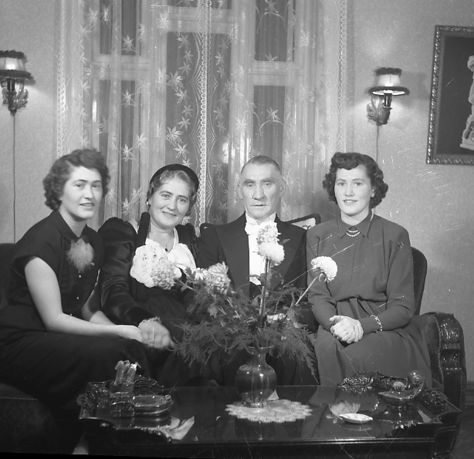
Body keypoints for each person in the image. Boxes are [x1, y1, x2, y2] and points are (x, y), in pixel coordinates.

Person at [0, 149, 151, 411]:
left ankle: (143, 423)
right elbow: (54, 319)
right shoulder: (41, 241)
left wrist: (127, 334)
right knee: (106, 354)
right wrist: (118, 330)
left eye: (96, 186)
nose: (89, 194)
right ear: (59, 191)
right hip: (21, 342)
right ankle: (93, 431)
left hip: (57, 337)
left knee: (130, 349)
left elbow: (88, 310)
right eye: (79, 185)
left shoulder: (94, 241)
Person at [306, 152, 432, 386]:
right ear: (333, 188)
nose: (348, 192)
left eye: (357, 183)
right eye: (341, 183)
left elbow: (403, 307)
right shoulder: (317, 235)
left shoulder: (395, 235)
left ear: (373, 189)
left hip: (381, 328)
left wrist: (361, 326)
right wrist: (337, 325)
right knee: (326, 348)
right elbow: (317, 296)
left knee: (358, 356)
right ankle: (336, 409)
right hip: (335, 324)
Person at [197, 154, 317, 384]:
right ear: (239, 189)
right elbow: (204, 298)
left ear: (282, 188)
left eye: (267, 184)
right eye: (250, 184)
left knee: (296, 356)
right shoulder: (215, 236)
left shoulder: (302, 238)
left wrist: (289, 319)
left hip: (284, 336)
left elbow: (310, 299)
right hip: (231, 337)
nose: (258, 194)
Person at [98, 163, 204, 386]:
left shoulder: (190, 240)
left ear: (189, 207)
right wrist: (143, 321)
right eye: (165, 195)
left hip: (189, 333)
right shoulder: (125, 232)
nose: (172, 206)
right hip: (145, 331)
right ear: (149, 197)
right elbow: (112, 291)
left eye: (182, 200)